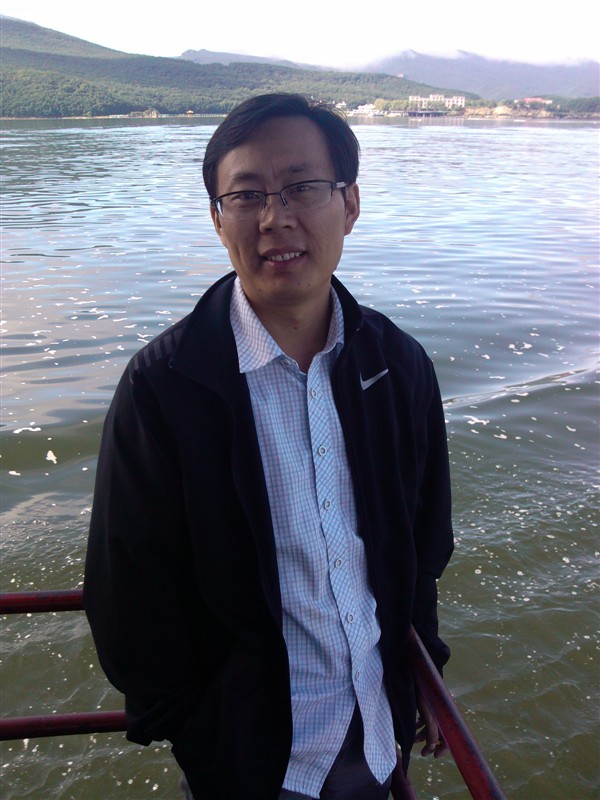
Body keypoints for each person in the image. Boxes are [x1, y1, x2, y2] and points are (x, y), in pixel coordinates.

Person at [84, 93, 453, 800]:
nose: (274, 218)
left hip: (380, 737)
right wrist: (200, 731)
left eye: (301, 187)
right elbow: (128, 593)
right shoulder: (165, 387)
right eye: (246, 195)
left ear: (349, 203)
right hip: (251, 765)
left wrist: (423, 666)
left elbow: (422, 545)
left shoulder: (397, 367)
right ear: (217, 219)